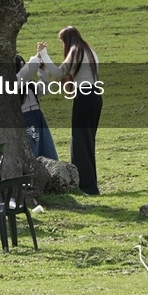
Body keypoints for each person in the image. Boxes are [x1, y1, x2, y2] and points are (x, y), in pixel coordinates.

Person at [39, 26, 102, 195]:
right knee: (87, 141)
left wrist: (44, 55)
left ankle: (86, 186)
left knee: (80, 141)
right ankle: (89, 183)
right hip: (95, 95)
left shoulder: (75, 51)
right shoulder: (89, 50)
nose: (62, 45)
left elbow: (59, 73)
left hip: (84, 95)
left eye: (61, 41)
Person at [17, 44, 59, 160]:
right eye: (20, 65)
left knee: (45, 147)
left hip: (37, 116)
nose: (23, 67)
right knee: (33, 147)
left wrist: (42, 70)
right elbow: (25, 74)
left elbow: (44, 88)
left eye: (23, 64)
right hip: (25, 118)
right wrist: (37, 56)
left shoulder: (29, 84)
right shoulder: (14, 83)